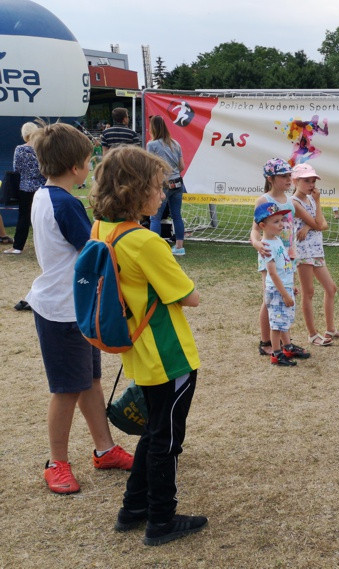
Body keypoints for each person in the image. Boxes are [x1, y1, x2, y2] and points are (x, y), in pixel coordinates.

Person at [90, 146, 207, 546]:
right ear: (135, 191)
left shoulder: (102, 229)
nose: (163, 193)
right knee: (166, 440)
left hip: (135, 351)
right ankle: (161, 520)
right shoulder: (145, 241)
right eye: (158, 186)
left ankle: (133, 508)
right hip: (168, 355)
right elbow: (188, 296)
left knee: (153, 431)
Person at [24, 123, 133, 494]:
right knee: (67, 389)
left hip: (75, 306)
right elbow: (94, 251)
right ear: (75, 167)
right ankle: (56, 462)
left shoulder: (44, 194)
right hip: (62, 310)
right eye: (89, 161)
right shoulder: (65, 204)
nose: (90, 167)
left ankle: (104, 449)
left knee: (90, 381)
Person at [250, 159, 308, 357]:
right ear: (270, 178)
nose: (288, 179)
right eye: (283, 176)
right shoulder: (264, 201)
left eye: (289, 175)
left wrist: (292, 249)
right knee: (271, 298)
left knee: (284, 298)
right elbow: (255, 230)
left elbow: (292, 228)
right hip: (269, 254)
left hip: (286, 256)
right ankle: (266, 342)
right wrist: (257, 244)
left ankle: (286, 344)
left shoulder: (290, 201)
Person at [291, 164, 339, 344]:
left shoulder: (312, 199)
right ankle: (312, 334)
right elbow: (318, 224)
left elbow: (323, 224)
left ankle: (330, 329)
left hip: (316, 250)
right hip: (303, 251)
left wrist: (318, 204)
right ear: (295, 181)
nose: (311, 184)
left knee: (331, 288)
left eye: (313, 180)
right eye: (306, 180)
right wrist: (312, 224)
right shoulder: (294, 202)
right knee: (309, 292)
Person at [254, 201, 304, 366]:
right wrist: (284, 293)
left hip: (284, 287)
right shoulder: (267, 245)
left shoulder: (277, 240)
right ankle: (276, 354)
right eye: (276, 222)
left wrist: (291, 286)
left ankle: (288, 346)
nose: (281, 224)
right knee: (276, 323)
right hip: (276, 291)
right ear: (262, 225)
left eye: (282, 220)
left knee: (285, 320)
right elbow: (273, 273)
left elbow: (284, 267)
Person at [146, 116, 187, 256]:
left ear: (153, 128)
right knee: (177, 215)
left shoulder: (152, 145)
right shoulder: (176, 144)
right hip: (177, 183)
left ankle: (156, 248)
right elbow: (182, 166)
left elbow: (149, 167)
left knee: (155, 217)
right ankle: (179, 247)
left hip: (162, 184)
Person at [4, 121, 46, 255]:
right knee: (44, 217)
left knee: (24, 217)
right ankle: (46, 245)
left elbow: (17, 169)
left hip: (25, 187)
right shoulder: (43, 147)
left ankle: (18, 246)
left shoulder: (20, 149)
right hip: (43, 186)